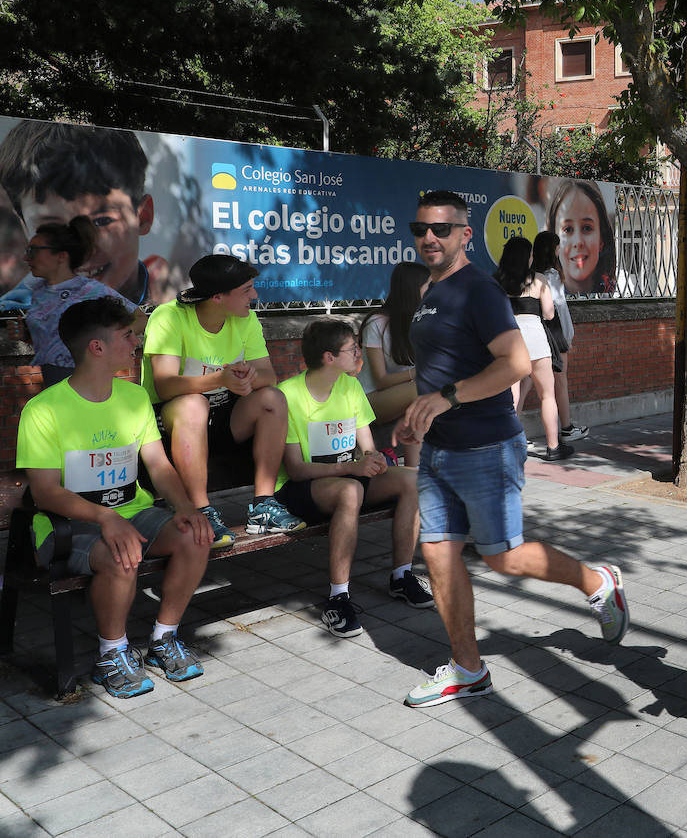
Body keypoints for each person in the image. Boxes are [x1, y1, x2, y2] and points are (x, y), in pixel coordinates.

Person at [395, 190, 629, 708]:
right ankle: (468, 669)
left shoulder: (477, 291)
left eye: (441, 229)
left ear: (465, 235)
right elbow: (438, 368)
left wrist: (447, 398)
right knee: (436, 554)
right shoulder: (429, 291)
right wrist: (417, 413)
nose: (428, 238)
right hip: (438, 449)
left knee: (503, 558)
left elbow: (515, 364)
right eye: (420, 229)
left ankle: (597, 581)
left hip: (485, 447)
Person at [17, 298, 213, 697]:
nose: (136, 341)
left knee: (196, 534)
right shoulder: (43, 410)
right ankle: (112, 653)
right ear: (97, 347)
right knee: (122, 555)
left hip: (133, 512)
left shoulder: (134, 397)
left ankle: (163, 639)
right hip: (67, 526)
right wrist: (107, 519)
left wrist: (186, 507)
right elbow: (46, 492)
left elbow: (158, 466)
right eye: (127, 335)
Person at [274, 320, 433, 638]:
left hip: (349, 478)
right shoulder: (288, 394)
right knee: (349, 491)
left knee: (414, 480)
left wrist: (373, 460)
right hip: (302, 489)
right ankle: (338, 598)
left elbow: (367, 448)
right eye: (352, 349)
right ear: (329, 357)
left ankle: (401, 576)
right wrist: (353, 469)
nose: (358, 354)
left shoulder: (351, 386)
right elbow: (295, 469)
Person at [142, 254, 305, 548]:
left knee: (272, 399)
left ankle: (263, 506)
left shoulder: (246, 319)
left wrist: (247, 378)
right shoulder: (168, 317)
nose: (254, 296)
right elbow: (164, 386)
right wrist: (219, 379)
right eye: (246, 290)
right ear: (217, 297)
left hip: (224, 419)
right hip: (173, 423)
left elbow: (269, 376)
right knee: (193, 404)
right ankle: (201, 509)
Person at [1, 120, 173, 306]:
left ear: (142, 217)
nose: (82, 249)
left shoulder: (173, 293)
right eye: (53, 229)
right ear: (25, 227)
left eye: (101, 221)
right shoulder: (18, 313)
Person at [21, 219, 142, 387]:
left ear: (61, 256)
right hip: (51, 383)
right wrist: (23, 334)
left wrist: (104, 339)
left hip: (86, 384)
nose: (26, 258)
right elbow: (53, 337)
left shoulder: (89, 290)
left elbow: (140, 318)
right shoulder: (38, 292)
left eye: (34, 251)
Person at [496, 236, 571, 461]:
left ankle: (506, 446)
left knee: (511, 397)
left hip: (510, 339)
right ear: (526, 257)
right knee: (547, 395)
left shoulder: (497, 281)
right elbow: (548, 313)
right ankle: (553, 447)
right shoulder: (539, 280)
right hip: (536, 338)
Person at [358, 261, 429, 467]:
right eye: (428, 286)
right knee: (423, 386)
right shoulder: (377, 323)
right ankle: (414, 468)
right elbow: (380, 381)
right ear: (412, 288)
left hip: (403, 396)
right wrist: (417, 372)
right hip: (370, 401)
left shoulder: (420, 320)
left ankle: (416, 469)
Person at [533, 230, 589, 442]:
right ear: (552, 250)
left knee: (529, 382)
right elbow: (558, 308)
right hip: (555, 335)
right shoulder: (552, 276)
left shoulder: (531, 276)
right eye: (557, 247)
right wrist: (567, 336)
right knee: (559, 382)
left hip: (536, 334)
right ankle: (566, 428)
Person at [546, 178, 616, 295]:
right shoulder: (542, 290)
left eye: (587, 228)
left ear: (601, 240)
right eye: (568, 229)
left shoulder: (618, 289)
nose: (578, 242)